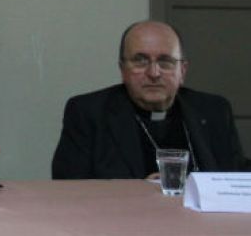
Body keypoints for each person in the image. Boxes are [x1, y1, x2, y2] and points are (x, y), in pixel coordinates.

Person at [52, 20, 250, 179]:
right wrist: (137, 195)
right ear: (123, 69)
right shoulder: (89, 112)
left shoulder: (213, 110)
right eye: (140, 61)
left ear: (182, 71)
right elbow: (69, 187)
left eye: (165, 62)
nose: (154, 73)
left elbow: (237, 179)